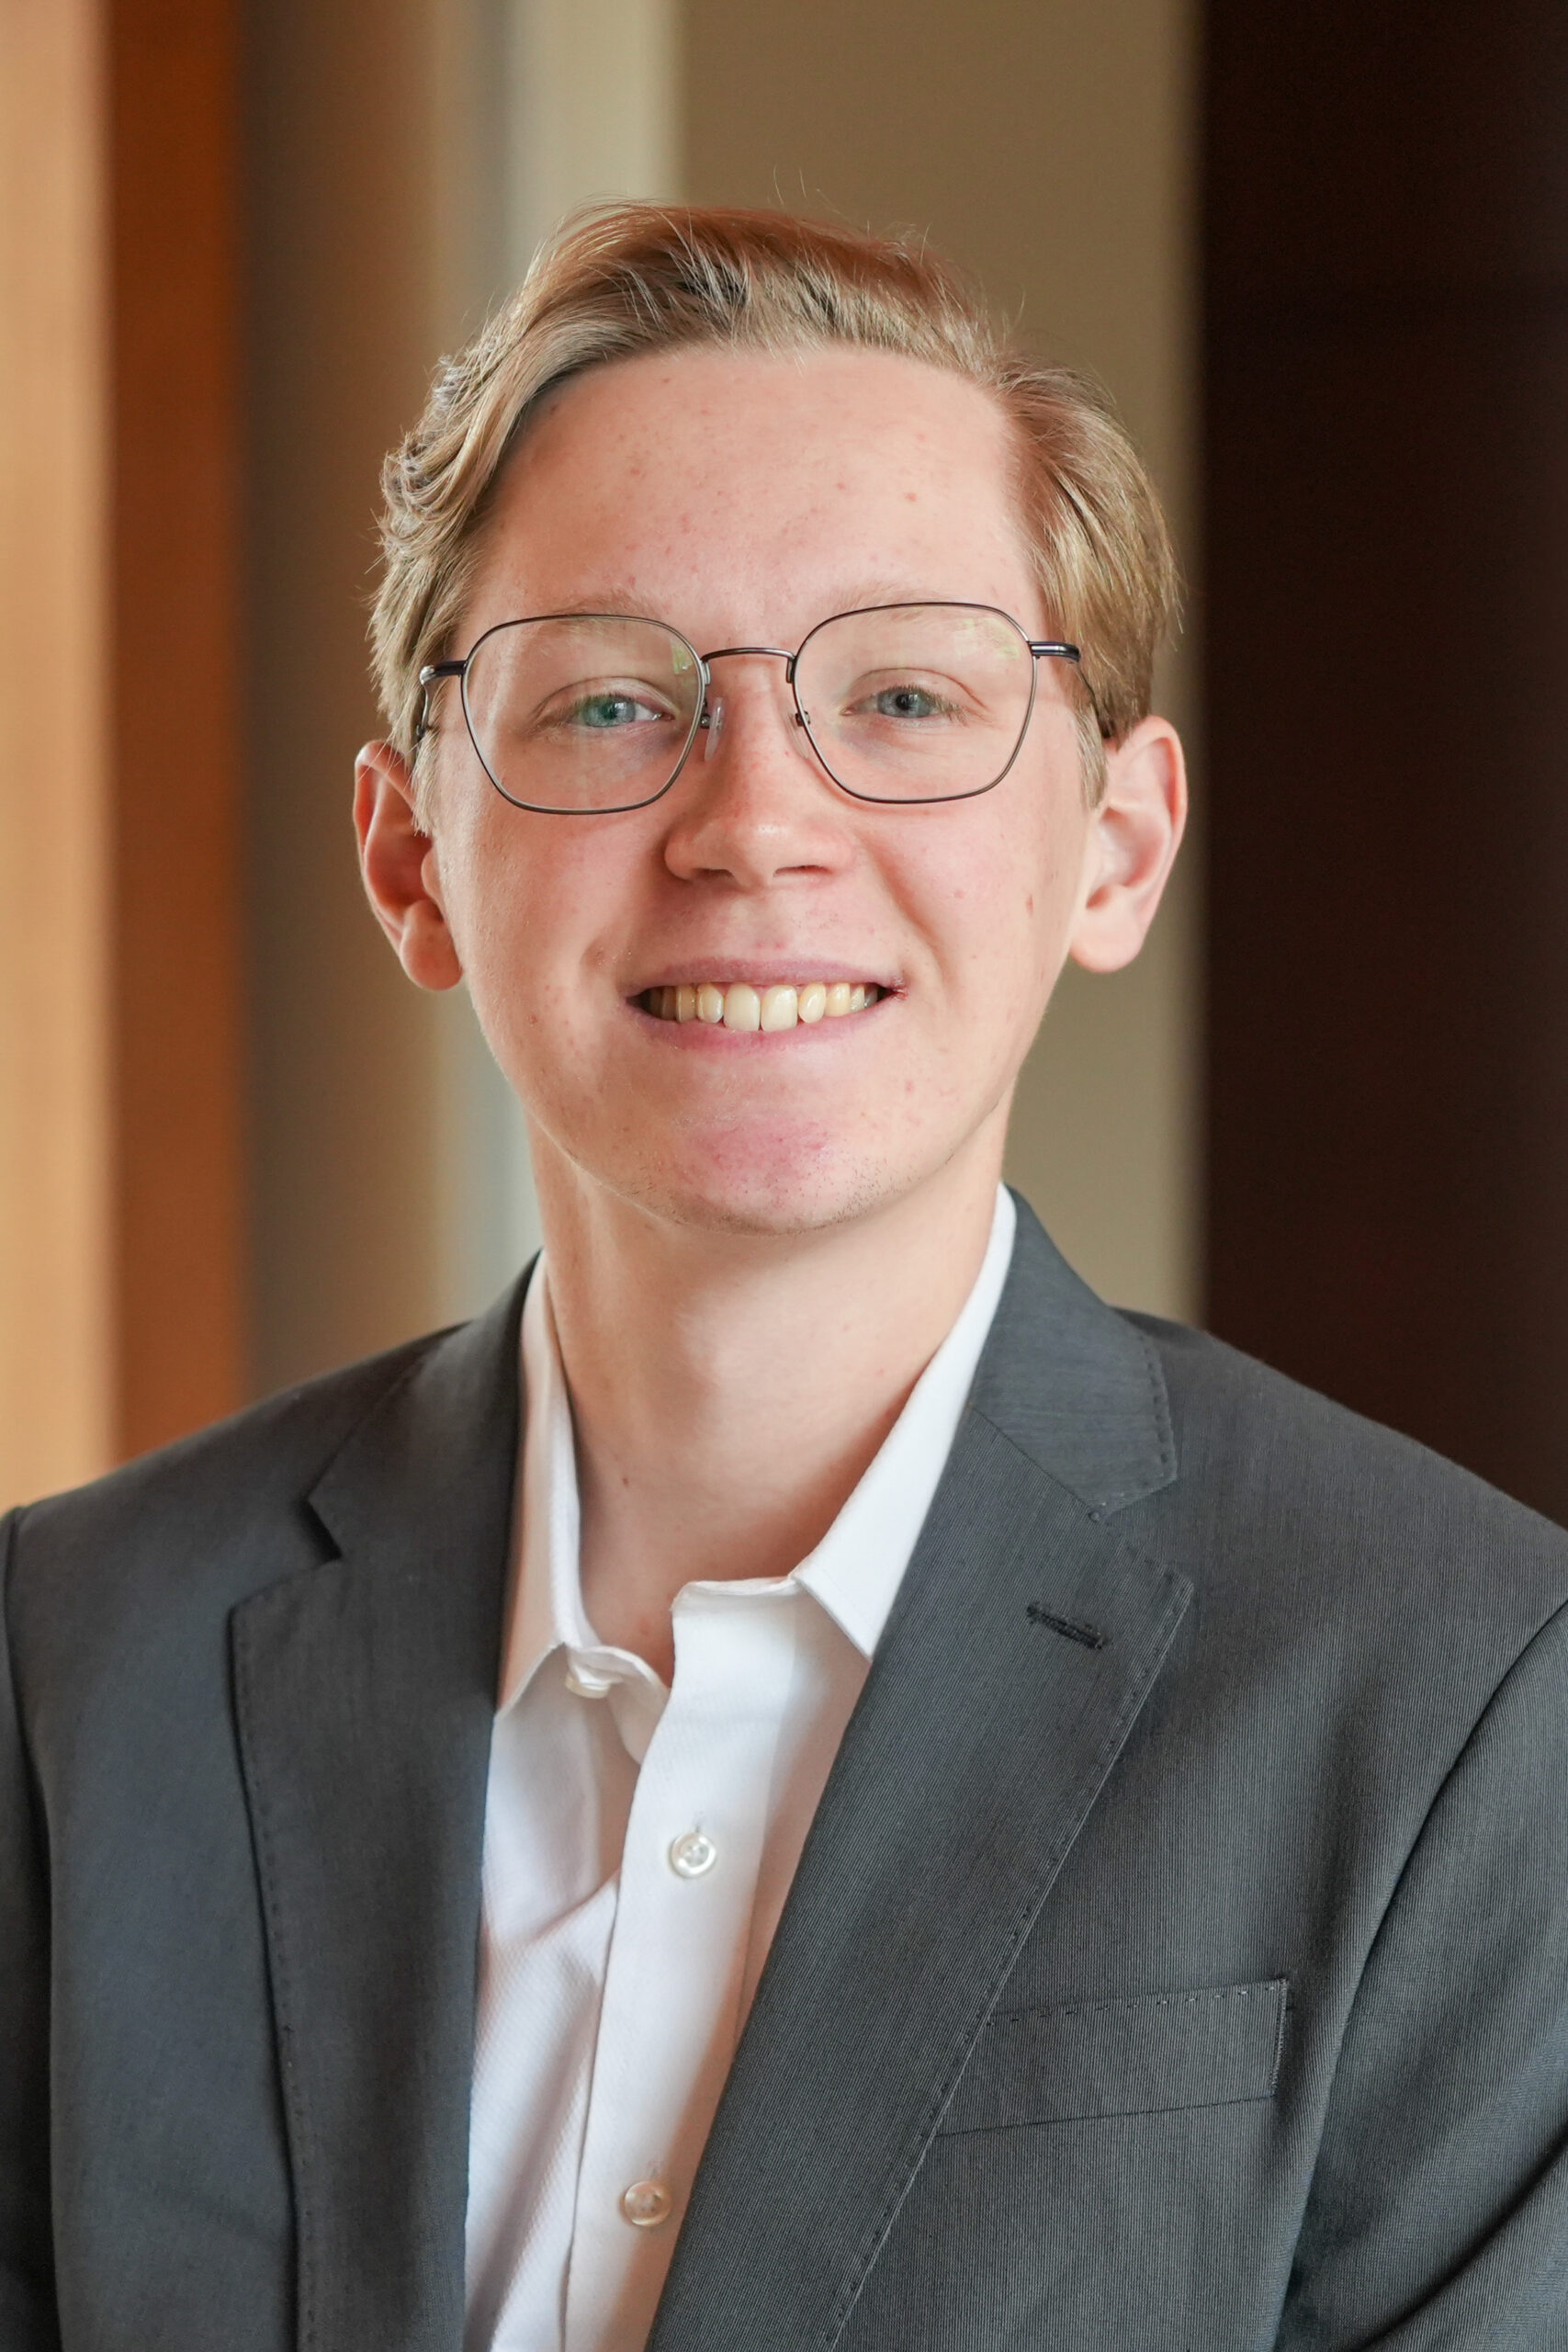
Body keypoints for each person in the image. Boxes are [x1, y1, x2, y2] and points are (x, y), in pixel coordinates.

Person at [4, 204, 1568, 2352]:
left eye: (904, 692)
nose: (752, 822)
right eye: (613, 699)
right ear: (409, 858)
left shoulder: (1467, 1701)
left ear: (1110, 845)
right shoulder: (67, 1668)